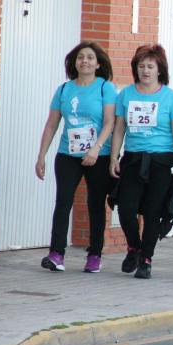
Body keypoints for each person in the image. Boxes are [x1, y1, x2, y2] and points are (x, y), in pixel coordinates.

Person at [37, 41, 117, 273]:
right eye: (80, 57)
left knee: (95, 204)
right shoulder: (64, 89)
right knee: (63, 201)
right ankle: (56, 254)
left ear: (98, 63)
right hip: (67, 154)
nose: (85, 61)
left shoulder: (105, 88)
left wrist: (96, 148)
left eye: (90, 58)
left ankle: (94, 255)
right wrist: (41, 155)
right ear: (74, 62)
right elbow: (52, 125)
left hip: (98, 156)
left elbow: (110, 122)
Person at [110, 44, 173, 279]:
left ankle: (146, 258)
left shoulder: (170, 97)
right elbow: (119, 127)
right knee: (126, 208)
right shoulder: (126, 94)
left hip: (162, 160)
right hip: (133, 158)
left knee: (153, 211)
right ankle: (134, 246)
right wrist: (114, 157)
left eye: (150, 66)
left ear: (159, 70)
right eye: (141, 66)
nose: (145, 71)